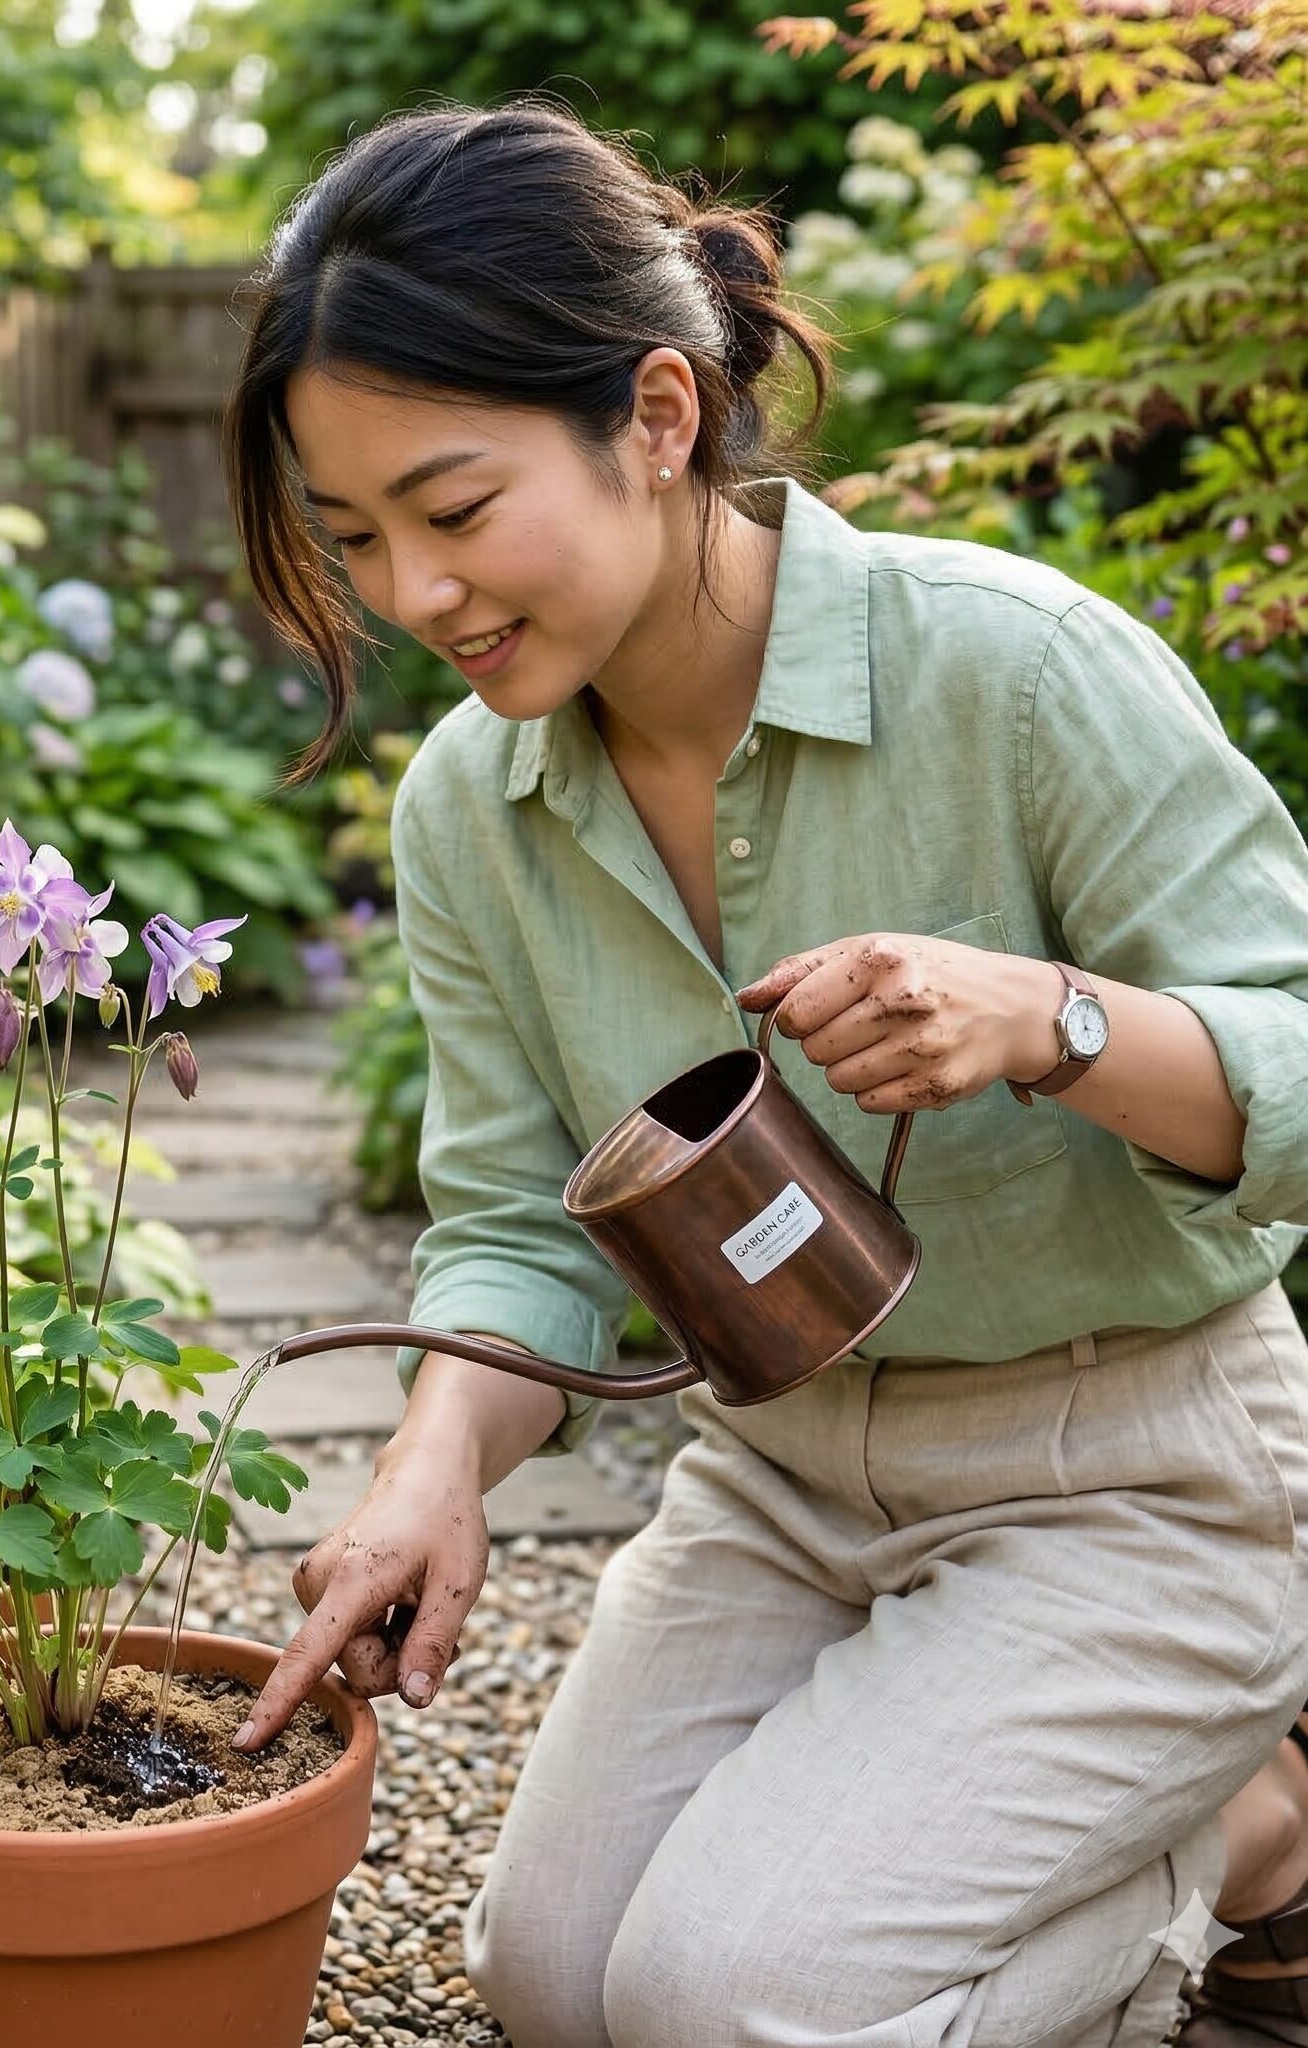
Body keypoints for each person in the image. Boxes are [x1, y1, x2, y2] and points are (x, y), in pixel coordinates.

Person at [214, 97, 1308, 2048]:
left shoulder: (1013, 669)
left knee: (725, 2006)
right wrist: (426, 1468)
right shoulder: (474, 802)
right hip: (784, 1470)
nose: (411, 595)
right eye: (353, 537)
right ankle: (1196, 1804)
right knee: (551, 1983)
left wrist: (1050, 1021)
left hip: (1134, 1472)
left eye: (453, 511)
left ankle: (1244, 1832)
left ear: (655, 413)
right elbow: (506, 1220)